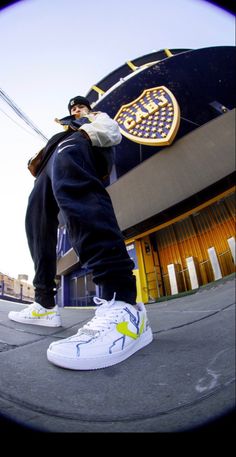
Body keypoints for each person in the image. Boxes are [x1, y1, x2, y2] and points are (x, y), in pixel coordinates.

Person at [8, 95, 153, 370]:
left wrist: (84, 135)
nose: (76, 109)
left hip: (80, 146)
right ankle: (44, 304)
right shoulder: (62, 130)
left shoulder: (93, 119)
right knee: (36, 219)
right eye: (73, 108)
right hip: (47, 167)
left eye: (80, 107)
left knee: (77, 191)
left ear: (87, 108)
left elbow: (111, 132)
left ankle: (122, 303)